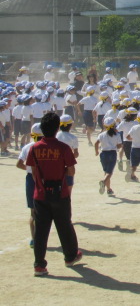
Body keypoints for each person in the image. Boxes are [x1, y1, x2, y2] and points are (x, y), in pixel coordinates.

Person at [25, 112, 82, 277]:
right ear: (57, 129)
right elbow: (71, 171)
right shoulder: (63, 148)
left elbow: (33, 170)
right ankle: (70, 256)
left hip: (40, 194)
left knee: (41, 230)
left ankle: (39, 264)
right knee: (64, 226)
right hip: (60, 192)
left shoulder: (34, 148)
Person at [94, 117, 122, 196]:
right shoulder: (117, 135)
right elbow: (119, 145)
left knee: (106, 172)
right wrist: (116, 147)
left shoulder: (102, 134)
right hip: (112, 153)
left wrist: (96, 151)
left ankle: (108, 189)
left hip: (103, 154)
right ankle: (103, 182)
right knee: (109, 173)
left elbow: (96, 143)